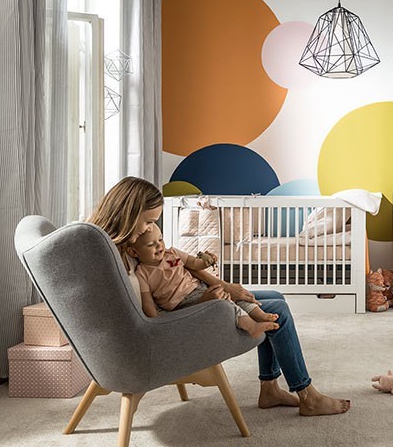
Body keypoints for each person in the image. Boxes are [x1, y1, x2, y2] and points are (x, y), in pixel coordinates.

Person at [88, 176, 350, 416]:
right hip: (180, 317)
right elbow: (152, 313)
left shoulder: (120, 247)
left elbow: (189, 268)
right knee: (277, 310)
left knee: (274, 295)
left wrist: (228, 287)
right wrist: (209, 300)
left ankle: (270, 387)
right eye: (147, 222)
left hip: (186, 303)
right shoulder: (119, 254)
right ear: (129, 215)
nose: (149, 230)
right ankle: (307, 395)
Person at [127, 225, 280, 339]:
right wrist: (157, 324)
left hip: (199, 287)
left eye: (160, 239)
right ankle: (251, 326)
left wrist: (207, 261)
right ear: (134, 252)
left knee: (232, 296)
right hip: (181, 303)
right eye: (150, 244)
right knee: (225, 303)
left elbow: (194, 264)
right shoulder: (142, 274)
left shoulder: (172, 253)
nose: (159, 245)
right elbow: (148, 305)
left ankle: (260, 315)